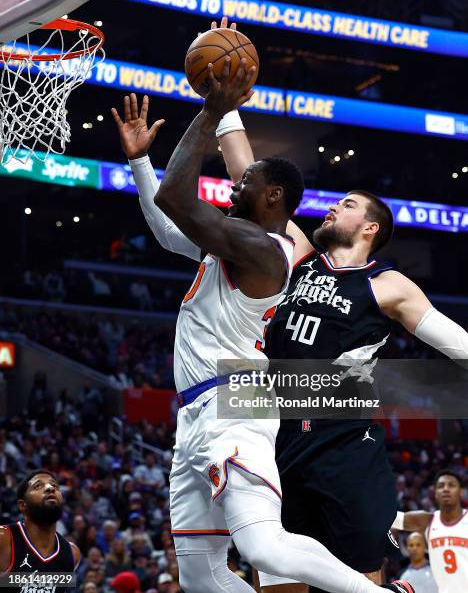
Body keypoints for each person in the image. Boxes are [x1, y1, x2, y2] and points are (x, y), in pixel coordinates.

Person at [112, 41, 412, 593]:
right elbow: (165, 224)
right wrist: (139, 163)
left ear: (271, 196)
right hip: (197, 414)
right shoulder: (225, 244)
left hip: (236, 404)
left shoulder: (264, 249)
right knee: (201, 576)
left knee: (261, 545)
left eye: (245, 184)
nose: (234, 183)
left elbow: (179, 198)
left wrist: (213, 109)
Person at [214, 16, 468, 592]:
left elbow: (457, 344)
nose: (333, 208)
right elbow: (248, 178)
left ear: (372, 227)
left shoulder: (390, 284)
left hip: (342, 438)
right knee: (277, 579)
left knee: (360, 580)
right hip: (274, 431)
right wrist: (226, 105)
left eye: (347, 205)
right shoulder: (300, 252)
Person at [0, 470, 81, 591]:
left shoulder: (72, 553)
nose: (50, 488)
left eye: (54, 486)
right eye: (38, 486)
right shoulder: (4, 539)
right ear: (22, 505)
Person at [392, 469, 468, 592]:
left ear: (461, 492)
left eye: (451, 485)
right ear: (435, 493)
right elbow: (392, 519)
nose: (446, 489)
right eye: (441, 486)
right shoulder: (427, 521)